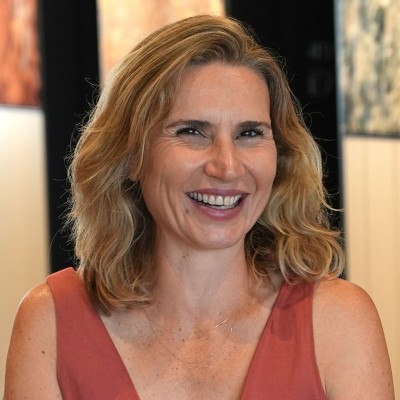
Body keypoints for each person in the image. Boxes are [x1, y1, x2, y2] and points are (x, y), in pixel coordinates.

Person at [3, 14, 394, 400]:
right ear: (131, 155)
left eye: (249, 133)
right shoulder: (51, 324)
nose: (227, 166)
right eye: (192, 131)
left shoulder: (339, 323)